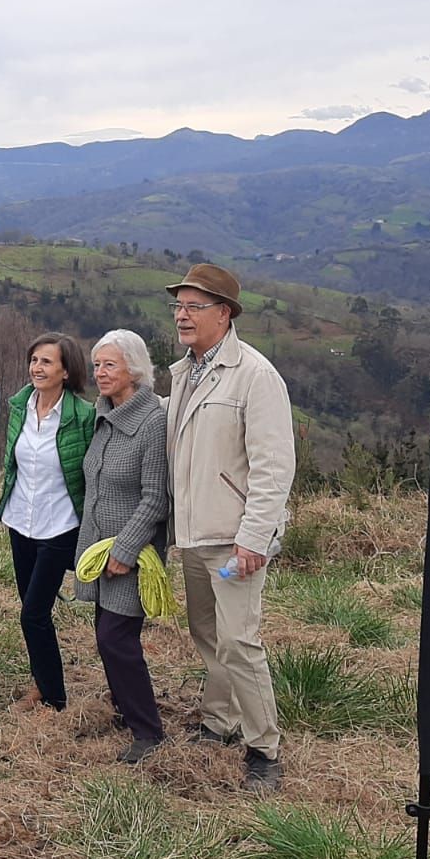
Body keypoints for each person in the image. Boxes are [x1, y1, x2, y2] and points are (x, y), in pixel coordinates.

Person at [164, 263, 294, 793]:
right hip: (193, 534)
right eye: (178, 306)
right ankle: (220, 722)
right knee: (207, 634)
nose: (182, 316)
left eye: (195, 306)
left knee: (240, 641)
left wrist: (254, 538)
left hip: (233, 537)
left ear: (225, 314)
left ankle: (265, 749)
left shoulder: (256, 376)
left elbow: (273, 466)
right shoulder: (184, 372)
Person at [73, 329, 169, 764]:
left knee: (117, 638)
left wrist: (125, 550)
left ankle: (148, 732)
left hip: (130, 555)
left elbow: (155, 497)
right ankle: (124, 709)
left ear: (133, 367)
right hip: (98, 548)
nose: (100, 373)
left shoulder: (151, 422)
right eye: (97, 365)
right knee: (105, 635)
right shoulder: (104, 415)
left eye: (109, 364)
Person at [0, 332, 94, 711]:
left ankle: (54, 696)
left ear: (66, 371)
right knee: (31, 609)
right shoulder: (20, 406)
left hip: (60, 525)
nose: (37, 367)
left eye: (46, 361)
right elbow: (11, 463)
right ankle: (41, 681)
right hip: (21, 521)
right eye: (34, 360)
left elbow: (90, 474)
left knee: (33, 612)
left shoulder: (83, 416)